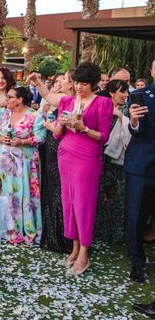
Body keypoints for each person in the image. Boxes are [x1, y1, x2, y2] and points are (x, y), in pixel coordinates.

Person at [53, 62, 113, 276]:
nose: (79, 87)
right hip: (65, 155)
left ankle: (84, 253)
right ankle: (74, 248)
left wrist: (84, 128)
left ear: (93, 84)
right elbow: (57, 135)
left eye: (84, 83)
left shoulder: (103, 103)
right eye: (77, 82)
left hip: (87, 157)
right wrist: (60, 124)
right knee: (69, 202)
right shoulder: (67, 101)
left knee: (83, 204)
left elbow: (103, 137)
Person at [0, 86, 46, 245]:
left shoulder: (34, 116)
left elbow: (41, 137)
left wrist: (22, 141)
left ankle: (20, 229)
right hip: (3, 161)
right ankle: (1, 227)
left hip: (24, 163)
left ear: (19, 100)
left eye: (10, 97)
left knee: (21, 194)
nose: (6, 100)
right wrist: (0, 139)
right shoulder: (2, 113)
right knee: (2, 192)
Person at [124, 58, 155, 284]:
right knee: (136, 216)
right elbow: (137, 130)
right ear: (152, 71)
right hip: (142, 166)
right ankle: (137, 263)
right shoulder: (141, 96)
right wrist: (133, 121)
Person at [39, 71, 74, 254]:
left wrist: (49, 126)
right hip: (53, 145)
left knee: (60, 191)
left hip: (62, 145)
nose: (60, 82)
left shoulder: (70, 101)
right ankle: (53, 235)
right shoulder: (63, 99)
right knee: (54, 189)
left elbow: (61, 128)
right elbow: (46, 99)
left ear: (71, 84)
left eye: (64, 80)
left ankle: (61, 237)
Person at [94, 79, 130, 243]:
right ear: (111, 93)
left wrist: (121, 116)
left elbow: (132, 132)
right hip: (100, 157)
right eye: (122, 91)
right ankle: (100, 232)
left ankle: (116, 234)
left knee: (118, 196)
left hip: (119, 160)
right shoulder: (102, 107)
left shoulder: (128, 110)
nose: (126, 95)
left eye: (126, 91)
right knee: (100, 194)